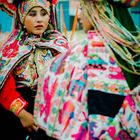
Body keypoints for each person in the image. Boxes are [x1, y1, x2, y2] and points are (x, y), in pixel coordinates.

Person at [34, 0, 140, 139]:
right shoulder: (133, 56)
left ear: (97, 10)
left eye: (82, 8)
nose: (79, 16)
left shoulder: (74, 60)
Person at [0, 0, 70, 140]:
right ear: (21, 16)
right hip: (18, 114)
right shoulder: (11, 48)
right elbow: (5, 88)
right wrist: (23, 114)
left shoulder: (60, 44)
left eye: (44, 14)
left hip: (52, 112)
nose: (39, 19)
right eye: (32, 14)